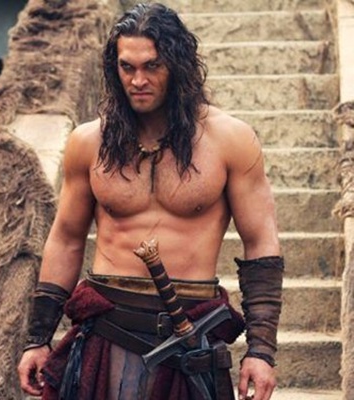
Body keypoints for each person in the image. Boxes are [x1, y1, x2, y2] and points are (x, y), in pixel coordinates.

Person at [18, 3, 283, 400]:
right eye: (127, 67)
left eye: (152, 66)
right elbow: (67, 238)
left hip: (189, 338)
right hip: (105, 332)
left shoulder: (230, 139)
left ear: (177, 65)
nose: (138, 80)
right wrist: (38, 338)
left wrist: (261, 351)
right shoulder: (88, 142)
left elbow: (261, 244)